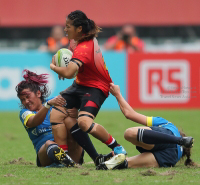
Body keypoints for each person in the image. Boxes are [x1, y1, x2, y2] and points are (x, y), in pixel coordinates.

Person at [49, 10, 126, 166]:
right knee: (56, 114)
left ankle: (117, 148)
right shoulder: (76, 40)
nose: (65, 29)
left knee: (84, 123)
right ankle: (65, 158)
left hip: (96, 87)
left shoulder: (84, 47)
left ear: (79, 29)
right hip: (80, 84)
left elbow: (70, 73)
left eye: (68, 26)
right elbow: (72, 67)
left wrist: (54, 67)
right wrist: (65, 67)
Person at [97, 83, 195, 170]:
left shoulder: (169, 125)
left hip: (170, 138)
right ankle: (110, 162)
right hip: (170, 157)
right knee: (125, 163)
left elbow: (130, 114)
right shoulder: (176, 158)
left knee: (129, 133)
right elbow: (128, 113)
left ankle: (179, 140)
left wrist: (117, 94)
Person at [15, 69, 83, 167]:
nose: (26, 101)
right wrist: (47, 106)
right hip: (45, 155)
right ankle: (64, 161)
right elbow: (34, 121)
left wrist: (76, 111)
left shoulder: (55, 101)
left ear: (38, 93)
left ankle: (87, 158)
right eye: (22, 100)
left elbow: (77, 99)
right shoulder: (25, 113)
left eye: (28, 96)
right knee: (49, 143)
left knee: (73, 126)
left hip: (69, 147)